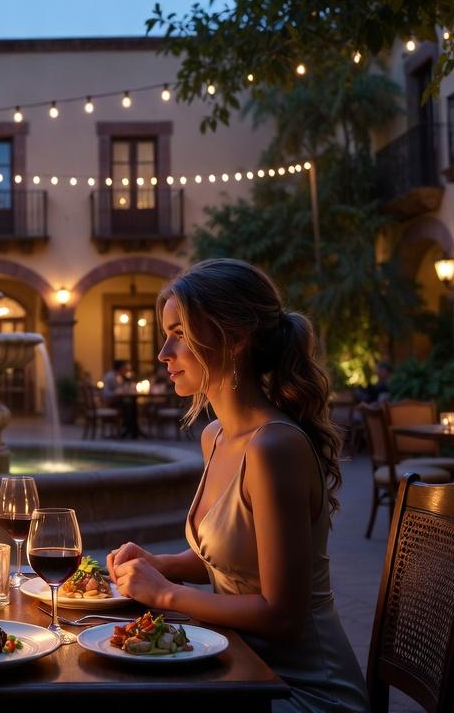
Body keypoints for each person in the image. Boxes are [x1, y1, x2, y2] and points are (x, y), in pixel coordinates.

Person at [106, 259, 368, 712]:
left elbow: (282, 616)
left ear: (235, 340)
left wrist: (164, 592)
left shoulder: (273, 447)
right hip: (240, 669)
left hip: (299, 689)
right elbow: (234, 560)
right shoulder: (216, 436)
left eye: (180, 334)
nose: (163, 353)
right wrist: (160, 563)